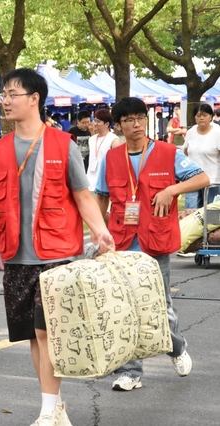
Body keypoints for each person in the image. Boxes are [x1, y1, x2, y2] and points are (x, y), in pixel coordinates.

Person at [0, 68, 114, 426]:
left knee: (48, 332)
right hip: (16, 255)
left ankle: (47, 411)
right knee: (34, 335)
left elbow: (83, 194)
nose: (5, 100)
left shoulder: (63, 144)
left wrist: (100, 231)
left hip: (57, 254)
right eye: (3, 94)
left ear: (34, 99)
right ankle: (55, 405)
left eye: (12, 94)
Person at [94, 97, 210, 392]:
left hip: (154, 243)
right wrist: (99, 234)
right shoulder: (112, 158)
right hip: (121, 244)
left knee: (161, 307)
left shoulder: (168, 152)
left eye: (140, 118)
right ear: (118, 125)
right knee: (125, 308)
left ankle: (177, 347)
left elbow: (203, 178)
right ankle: (130, 372)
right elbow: (101, 198)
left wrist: (172, 190)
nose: (136, 124)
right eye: (129, 120)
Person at [182, 103, 220, 208]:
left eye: (205, 115)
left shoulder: (217, 132)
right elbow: (185, 152)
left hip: (212, 181)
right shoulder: (190, 132)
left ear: (211, 116)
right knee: (191, 211)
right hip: (192, 179)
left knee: (211, 214)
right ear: (195, 117)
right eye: (198, 115)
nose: (201, 118)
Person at [86, 109, 121, 191]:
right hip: (89, 184)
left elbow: (118, 164)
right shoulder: (91, 139)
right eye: (94, 120)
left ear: (107, 124)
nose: (95, 123)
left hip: (105, 186)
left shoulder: (114, 140)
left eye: (98, 121)